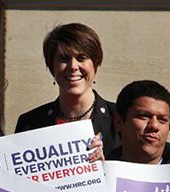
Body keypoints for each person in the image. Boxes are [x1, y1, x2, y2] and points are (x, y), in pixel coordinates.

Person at [15, 23, 119, 153]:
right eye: (64, 58)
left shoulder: (120, 119)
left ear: (96, 65)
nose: (73, 66)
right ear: (52, 67)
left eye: (81, 58)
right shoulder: (30, 124)